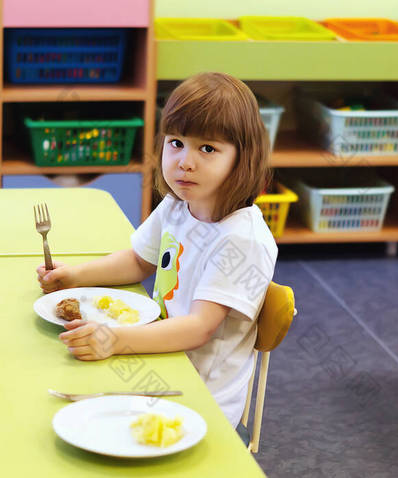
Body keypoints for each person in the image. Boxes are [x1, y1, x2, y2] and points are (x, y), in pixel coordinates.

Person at [36, 72, 278, 427]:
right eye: (176, 142)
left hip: (198, 395)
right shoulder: (179, 204)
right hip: (160, 354)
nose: (185, 161)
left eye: (207, 149)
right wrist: (74, 275)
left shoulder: (241, 239)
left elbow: (198, 327)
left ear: (242, 159)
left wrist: (114, 340)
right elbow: (137, 261)